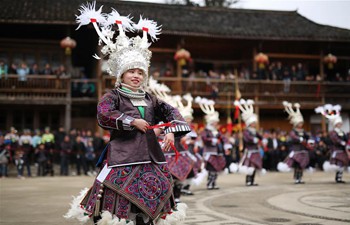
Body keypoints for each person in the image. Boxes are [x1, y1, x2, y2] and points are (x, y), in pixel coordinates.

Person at [65, 4, 190, 225]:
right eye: (132, 71)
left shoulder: (151, 98)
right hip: (123, 157)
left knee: (158, 195)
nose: (136, 76)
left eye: (140, 72)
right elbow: (104, 115)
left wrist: (170, 130)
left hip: (151, 156)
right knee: (114, 206)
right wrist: (132, 121)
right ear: (122, 74)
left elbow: (173, 112)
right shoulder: (113, 96)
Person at [196, 96, 227, 190]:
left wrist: (227, 145)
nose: (216, 124)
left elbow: (223, 138)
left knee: (216, 169)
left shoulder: (216, 131)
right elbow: (204, 139)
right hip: (209, 152)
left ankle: (213, 183)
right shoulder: (206, 130)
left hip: (216, 152)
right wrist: (213, 140)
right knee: (211, 169)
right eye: (214, 122)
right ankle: (209, 183)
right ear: (211, 122)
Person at [278, 101, 310, 184]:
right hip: (296, 150)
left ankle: (300, 177)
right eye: (299, 123)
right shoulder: (293, 131)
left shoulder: (303, 131)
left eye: (301, 123)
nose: (301, 124)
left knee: (301, 165)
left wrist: (309, 140)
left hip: (303, 149)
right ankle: (297, 178)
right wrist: (299, 139)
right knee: (297, 164)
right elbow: (293, 137)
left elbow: (308, 136)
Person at [315, 104, 349, 183]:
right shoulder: (333, 132)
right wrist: (342, 142)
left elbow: (346, 139)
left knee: (342, 164)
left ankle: (339, 177)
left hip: (342, 150)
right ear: (335, 124)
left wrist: (346, 142)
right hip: (336, 149)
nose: (340, 124)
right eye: (338, 123)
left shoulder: (342, 132)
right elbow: (335, 140)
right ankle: (337, 177)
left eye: (340, 123)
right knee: (338, 163)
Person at [235, 99, 264, 186]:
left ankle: (252, 180)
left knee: (254, 166)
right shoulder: (246, 131)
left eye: (254, 122)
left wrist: (261, 137)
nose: (254, 124)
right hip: (249, 151)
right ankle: (248, 180)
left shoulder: (255, 131)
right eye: (253, 123)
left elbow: (260, 137)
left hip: (256, 151)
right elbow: (247, 139)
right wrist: (254, 139)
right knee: (249, 167)